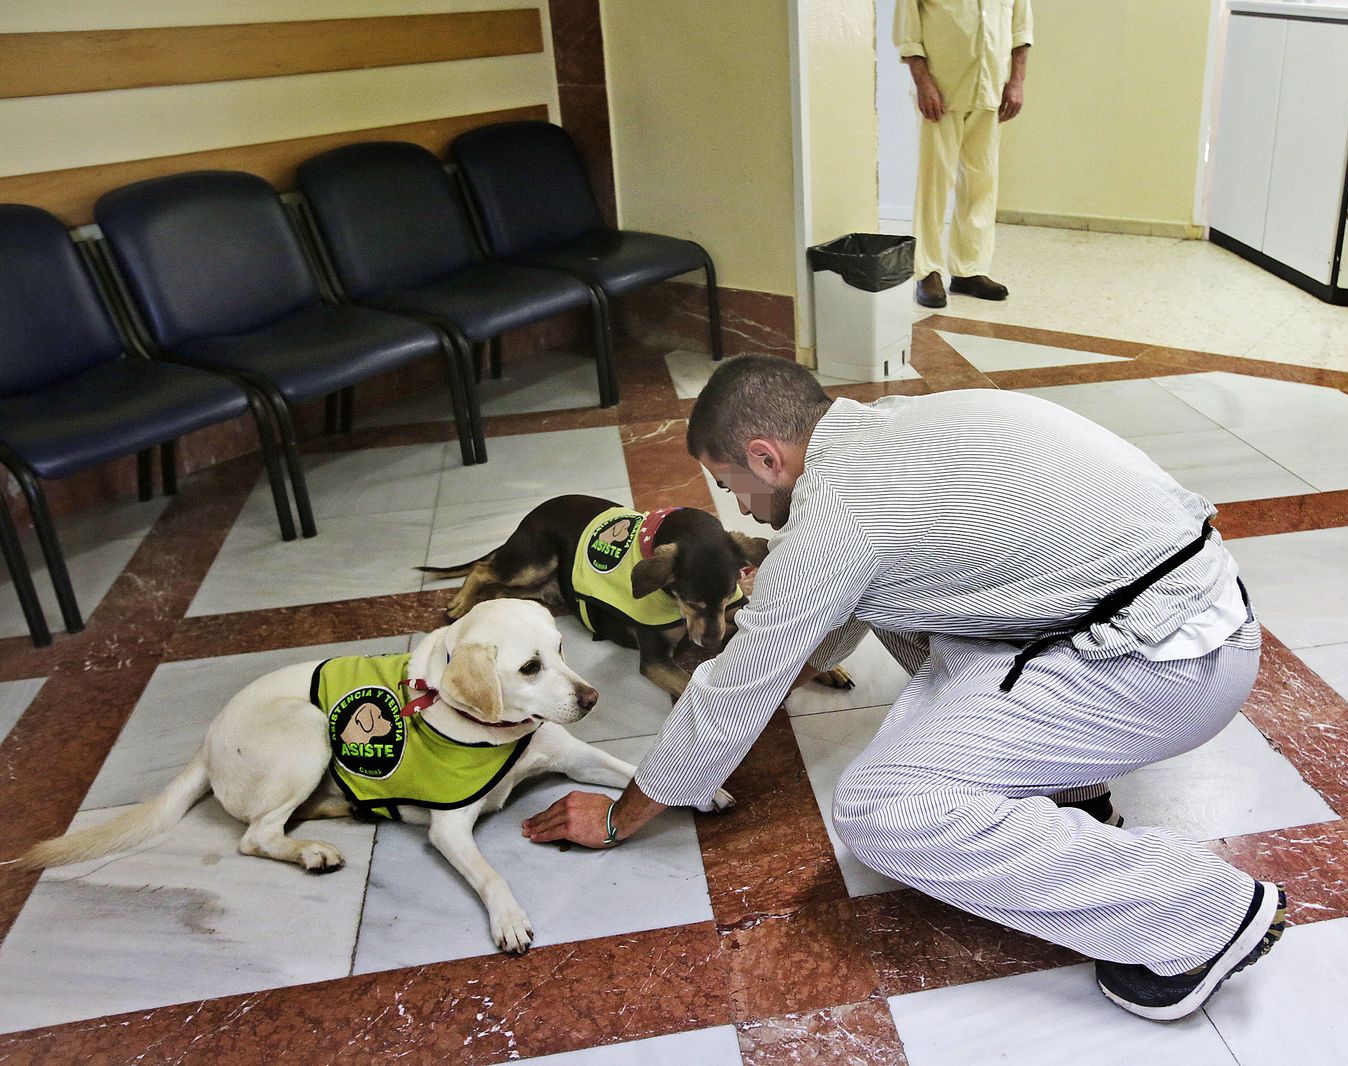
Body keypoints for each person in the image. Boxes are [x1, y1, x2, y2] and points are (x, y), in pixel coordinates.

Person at [524, 355, 1287, 1021]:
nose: (742, 512)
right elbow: (823, 627)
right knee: (902, 607)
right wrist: (780, 629)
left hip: (1165, 666)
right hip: (1181, 611)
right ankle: (1070, 794)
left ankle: (1201, 915)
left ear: (765, 457)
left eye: (733, 488)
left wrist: (624, 814)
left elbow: (740, 686)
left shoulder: (842, 512)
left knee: (883, 811)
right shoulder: (906, 424)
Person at [895, 0, 1033, 309]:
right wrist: (923, 83)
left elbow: (1021, 31)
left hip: (991, 91)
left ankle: (970, 270)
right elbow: (908, 32)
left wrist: (1017, 82)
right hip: (940, 93)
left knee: (981, 183)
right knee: (934, 183)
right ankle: (927, 270)